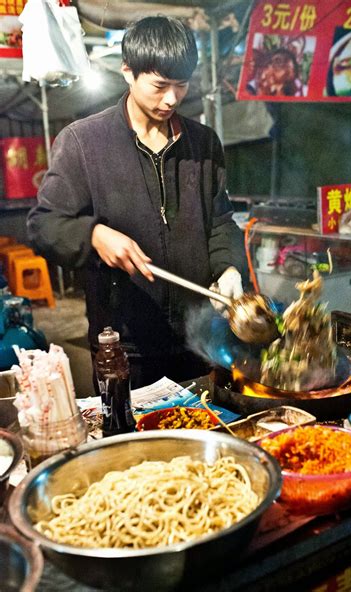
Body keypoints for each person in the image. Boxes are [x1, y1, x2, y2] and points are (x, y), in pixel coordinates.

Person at [27, 16, 248, 389]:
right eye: (160, 85)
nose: (172, 99)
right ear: (128, 72)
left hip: (199, 341)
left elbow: (221, 220)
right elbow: (44, 224)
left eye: (181, 85)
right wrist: (94, 235)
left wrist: (228, 267)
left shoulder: (203, 142)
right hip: (124, 346)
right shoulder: (84, 142)